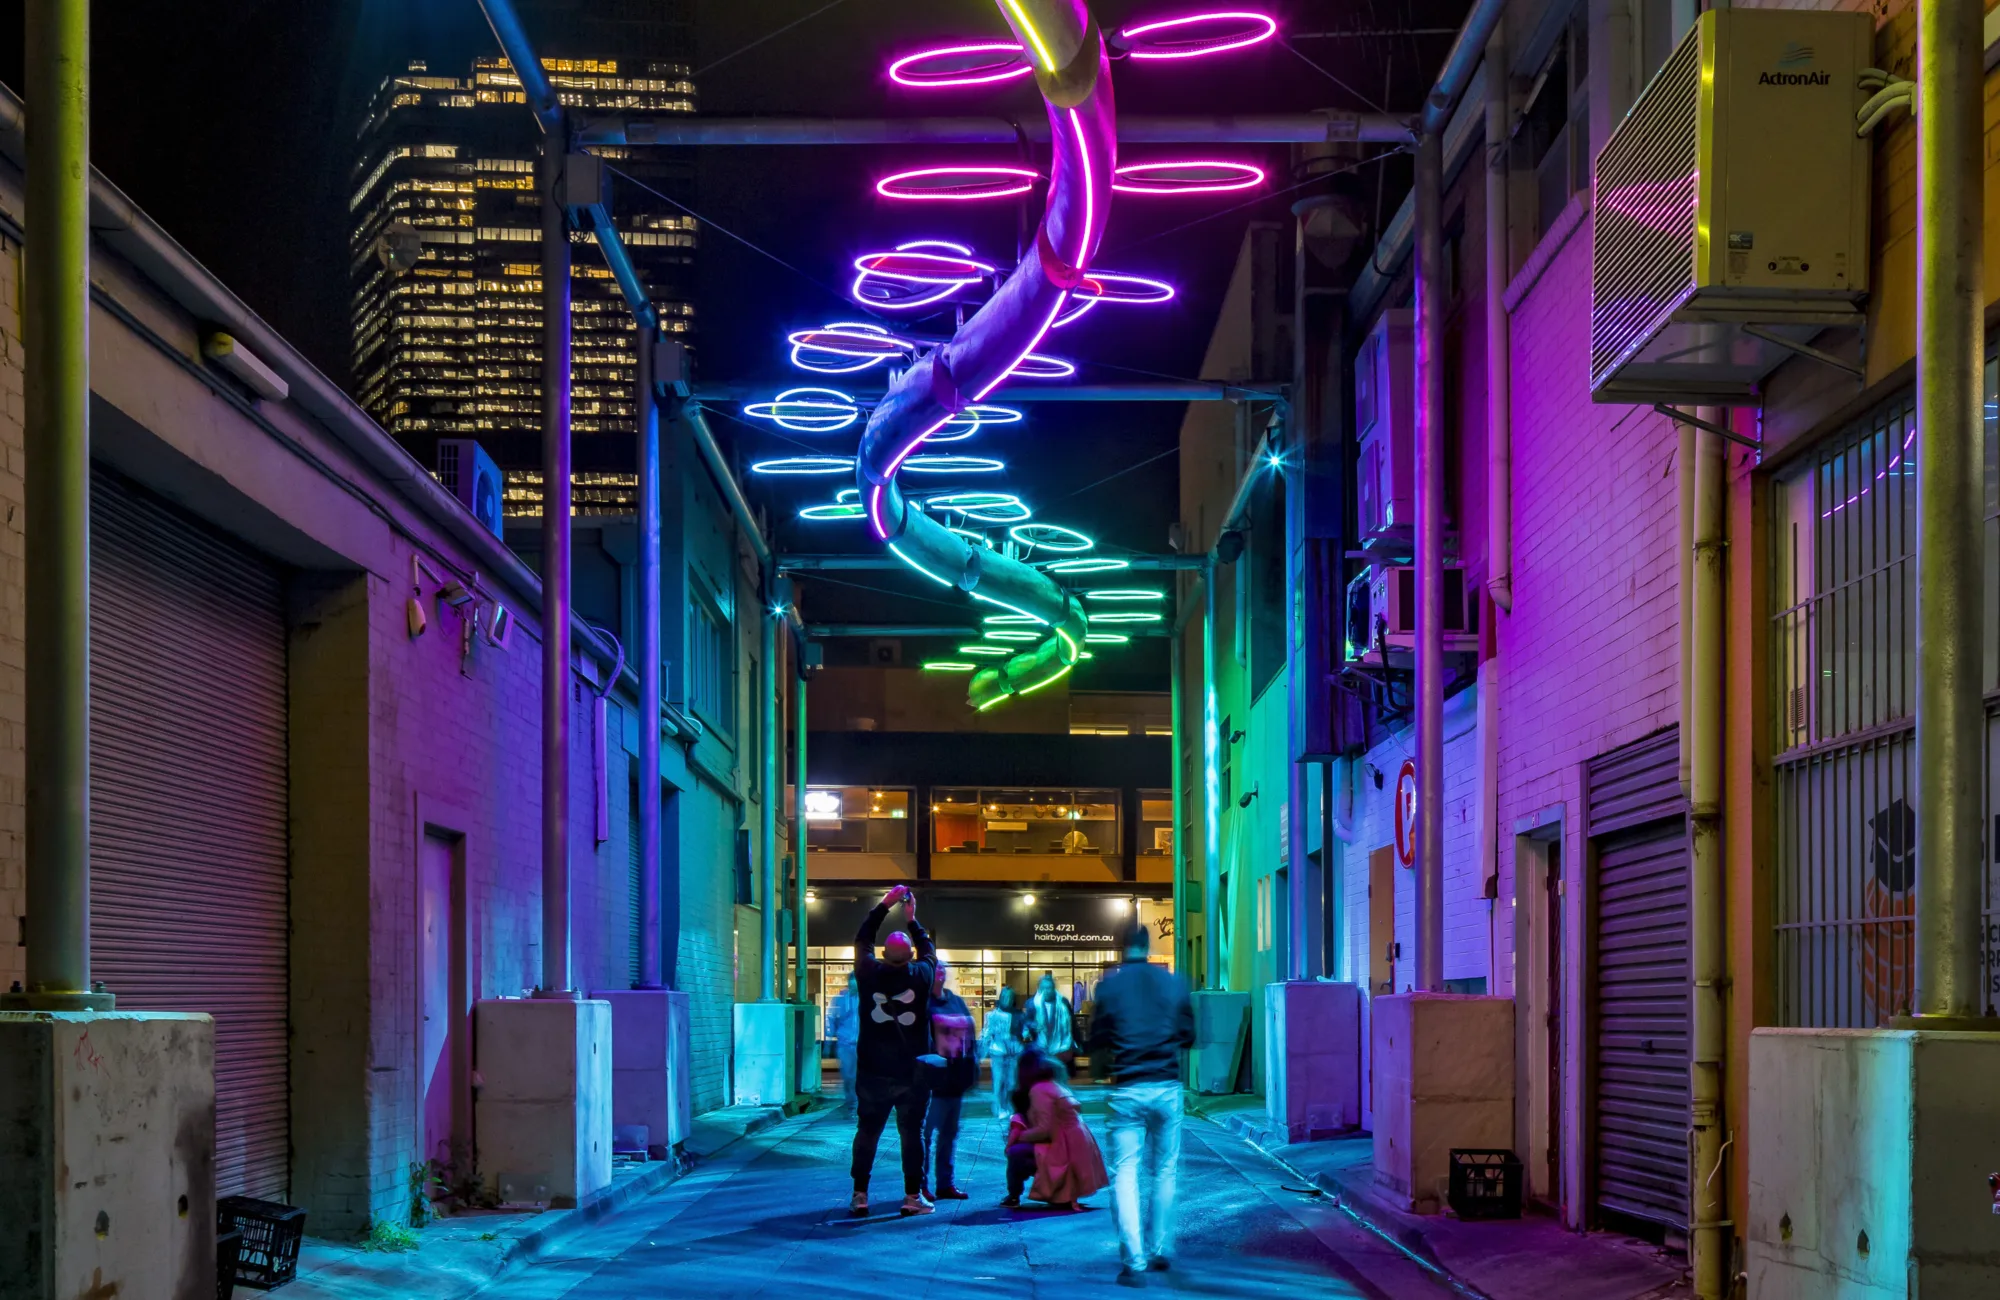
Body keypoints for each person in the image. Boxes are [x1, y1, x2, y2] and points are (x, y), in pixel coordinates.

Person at [1088, 923, 1195, 1285]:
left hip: (1128, 1087)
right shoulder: (1173, 982)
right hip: (1166, 1085)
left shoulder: (1110, 986)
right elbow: (1189, 1036)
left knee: (1126, 1173)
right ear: (1148, 947)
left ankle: (1134, 1262)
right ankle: (1160, 1247)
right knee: (1165, 1170)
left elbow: (1097, 1039)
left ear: (1122, 947)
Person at [849, 884, 937, 1217]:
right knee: (912, 1134)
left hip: (872, 1072)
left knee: (867, 1133)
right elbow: (929, 951)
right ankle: (912, 1197)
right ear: (910, 956)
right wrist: (912, 919)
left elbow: (863, 938)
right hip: (911, 1074)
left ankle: (860, 1194)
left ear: (883, 954)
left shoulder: (868, 972)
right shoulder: (921, 975)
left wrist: (885, 904)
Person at [1004, 1048, 1107, 1212]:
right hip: (1075, 1144)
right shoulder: (1055, 1086)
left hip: (1064, 1146)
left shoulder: (1039, 1090)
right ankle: (1060, 1193)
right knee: (1022, 1150)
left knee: (1016, 1152)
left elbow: (1045, 1130)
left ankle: (1013, 1196)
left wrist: (1019, 1137)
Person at [919, 963, 977, 1201]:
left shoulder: (955, 1001)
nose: (940, 971)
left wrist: (970, 1067)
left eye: (943, 967)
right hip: (932, 1082)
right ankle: (920, 1185)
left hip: (955, 1078)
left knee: (949, 1135)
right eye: (935, 968)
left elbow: (970, 1036)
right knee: (925, 1135)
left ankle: (945, 1183)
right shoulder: (922, 1003)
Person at [979, 986, 1028, 1119]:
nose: (1008, 1000)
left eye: (1010, 997)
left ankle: (1008, 1105)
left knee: (1012, 1081)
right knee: (999, 1080)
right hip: (998, 1050)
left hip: (1014, 1051)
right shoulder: (992, 1015)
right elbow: (987, 1032)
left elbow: (1024, 1030)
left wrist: (1026, 1033)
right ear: (1001, 998)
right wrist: (981, 1051)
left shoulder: (1019, 1015)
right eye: (1005, 997)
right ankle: (999, 1107)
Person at [828, 974, 861, 1116]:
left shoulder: (868, 998)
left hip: (863, 1043)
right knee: (848, 1076)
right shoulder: (840, 999)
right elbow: (831, 1018)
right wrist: (829, 1040)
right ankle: (852, 1104)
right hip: (845, 1043)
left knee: (861, 1076)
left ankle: (859, 1104)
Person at [1029, 972, 1076, 1071]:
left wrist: (1076, 1043)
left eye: (1049, 988)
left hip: (1061, 1049)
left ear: (1054, 988)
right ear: (1039, 989)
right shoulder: (1032, 1004)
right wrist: (1032, 1026)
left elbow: (1072, 1024)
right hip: (1041, 1048)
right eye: (1043, 988)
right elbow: (1026, 1022)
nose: (1046, 991)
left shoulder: (1063, 1003)